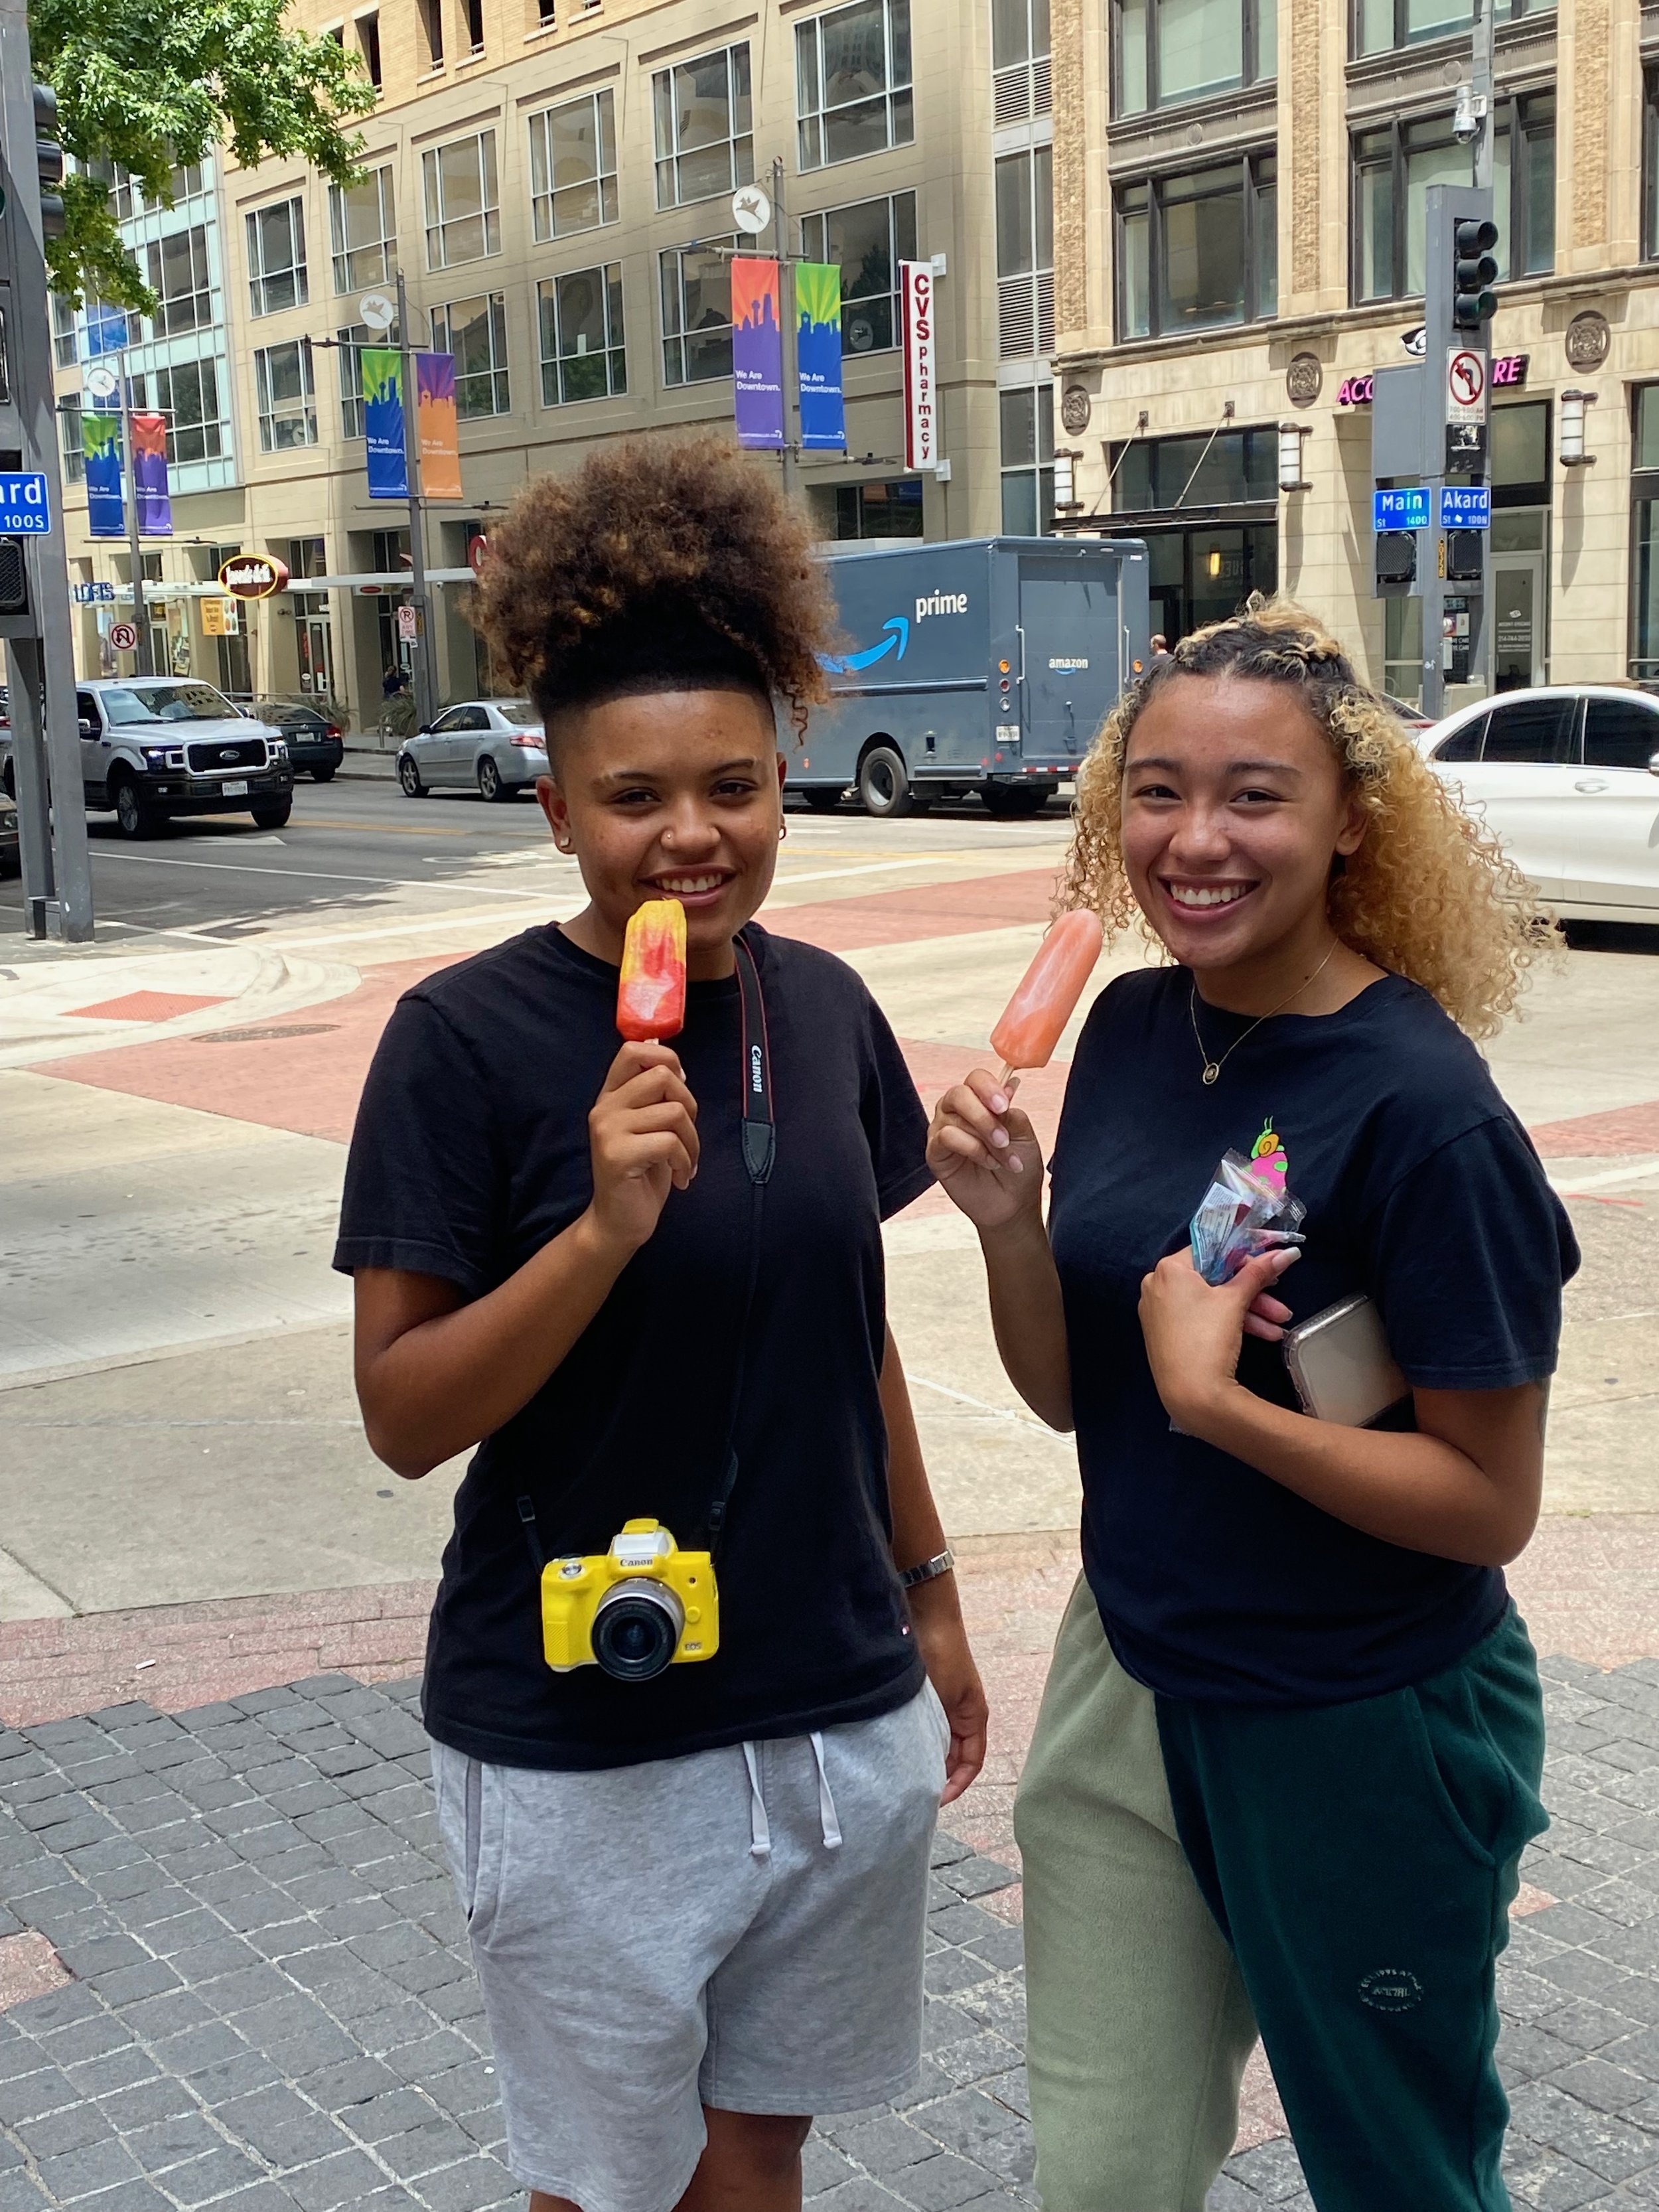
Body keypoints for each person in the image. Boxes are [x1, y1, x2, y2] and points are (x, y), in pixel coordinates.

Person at [335, 435, 986, 2212]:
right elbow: (404, 1413)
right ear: (554, 806)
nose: (690, 835)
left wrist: (927, 1596)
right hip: (585, 1720)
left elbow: (847, 1333)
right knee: (608, 2177)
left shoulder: (829, 1006)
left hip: (832, 1683)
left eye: (733, 786)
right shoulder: (459, 1041)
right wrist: (603, 1229)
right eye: (634, 797)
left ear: (782, 787)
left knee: (760, 2140)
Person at [927, 599, 1575, 2212]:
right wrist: (1010, 1224)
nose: (1191, 840)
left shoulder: (1423, 1113)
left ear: (1352, 817)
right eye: (1154, 790)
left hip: (1357, 1713)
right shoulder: (1139, 1026)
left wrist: (1226, 1410)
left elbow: (1486, 1504)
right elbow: (1082, 1395)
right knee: (1104, 2172)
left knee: (1395, 2171)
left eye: (1251, 795)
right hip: (1132, 1670)